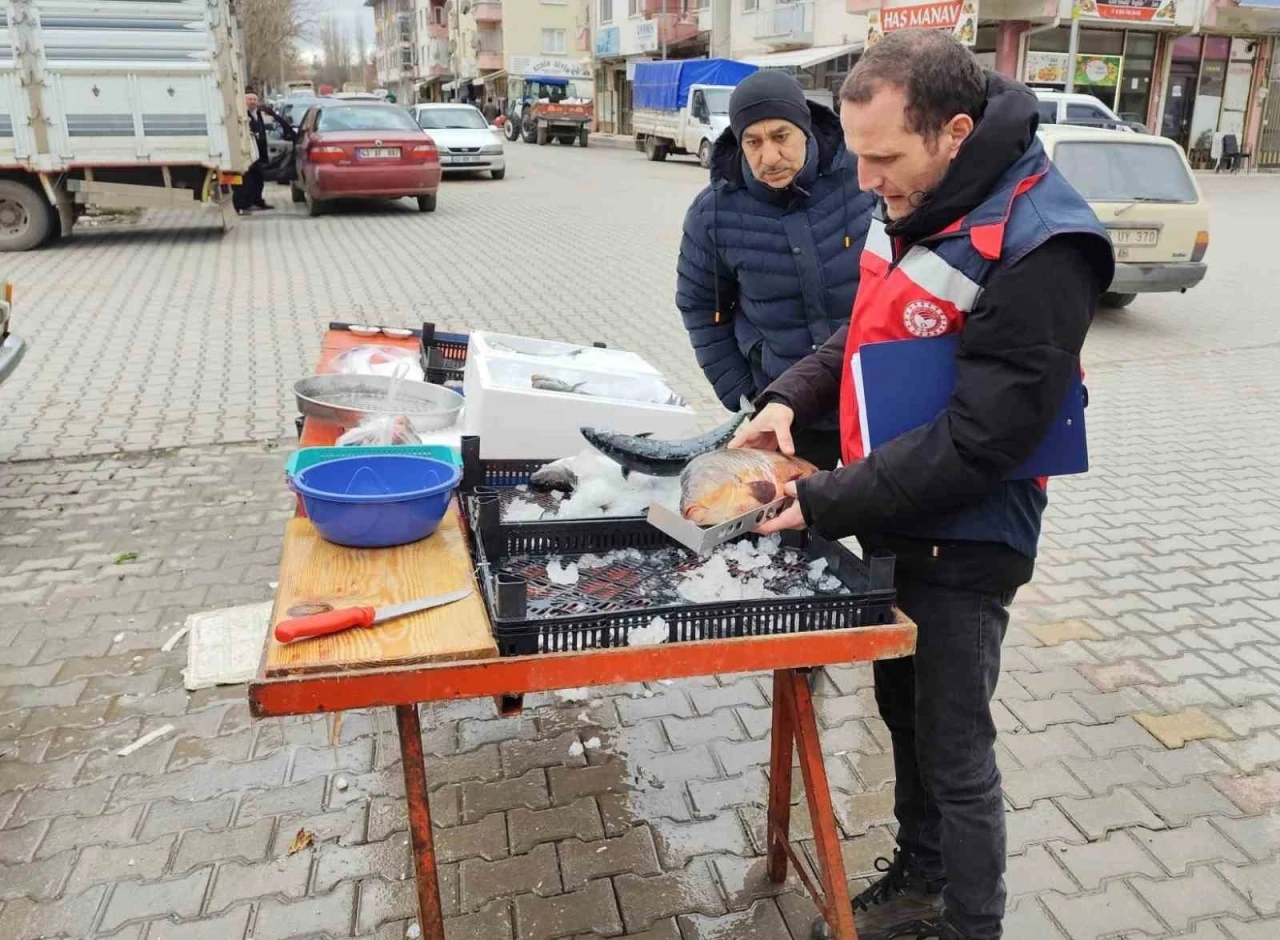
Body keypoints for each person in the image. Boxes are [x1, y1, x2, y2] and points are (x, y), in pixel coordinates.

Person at [732, 30, 1114, 940]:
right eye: (857, 157)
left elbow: (982, 441)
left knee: (954, 748)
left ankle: (971, 921)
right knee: (903, 713)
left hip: (971, 532)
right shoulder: (913, 193)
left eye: (883, 157)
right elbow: (865, 335)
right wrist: (786, 399)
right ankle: (920, 879)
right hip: (896, 507)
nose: (865, 180)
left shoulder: (1044, 242)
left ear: (952, 131)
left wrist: (821, 501)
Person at [675, 70, 875, 469]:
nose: (769, 157)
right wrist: (746, 396)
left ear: (805, 129)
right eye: (753, 142)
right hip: (784, 406)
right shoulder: (714, 212)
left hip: (871, 393)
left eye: (781, 136)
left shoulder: (864, 179)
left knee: (883, 523)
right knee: (782, 522)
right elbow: (702, 310)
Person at [234, 90, 273, 213]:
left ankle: (257, 200)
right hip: (248, 153)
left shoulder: (258, 114)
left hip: (259, 154)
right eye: (249, 100)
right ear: (244, 101)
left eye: (254, 100)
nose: (252, 102)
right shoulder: (243, 116)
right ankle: (244, 204)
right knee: (248, 181)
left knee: (259, 179)